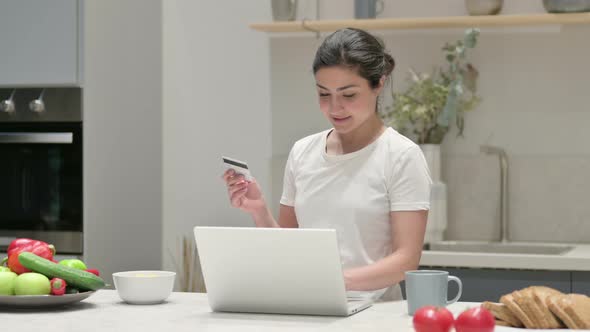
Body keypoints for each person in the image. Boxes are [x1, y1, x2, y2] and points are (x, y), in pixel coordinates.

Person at [222, 27, 432, 301]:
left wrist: (335, 280)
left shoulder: (402, 156)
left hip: (375, 316)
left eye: (348, 95)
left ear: (378, 84)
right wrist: (259, 210)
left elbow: (405, 261)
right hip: (309, 309)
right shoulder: (302, 152)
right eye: (324, 94)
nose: (335, 108)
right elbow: (288, 248)